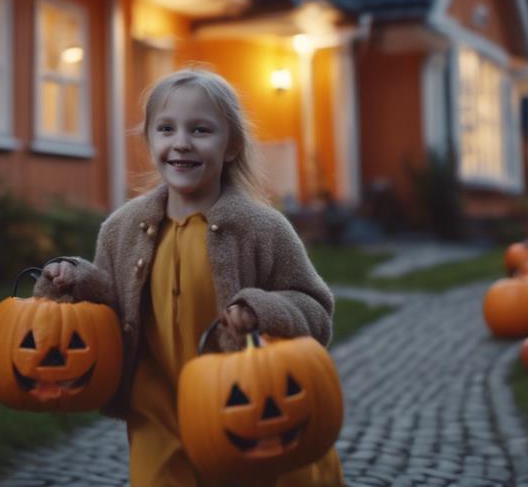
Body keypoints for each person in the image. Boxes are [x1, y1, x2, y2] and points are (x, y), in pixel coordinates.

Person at [37, 68, 344, 486]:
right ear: (150, 140)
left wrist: (262, 310)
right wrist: (74, 279)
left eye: (200, 130)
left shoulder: (262, 229)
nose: (181, 142)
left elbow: (315, 310)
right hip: (157, 404)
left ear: (231, 145)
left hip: (246, 399)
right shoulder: (122, 229)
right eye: (166, 129)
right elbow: (112, 306)